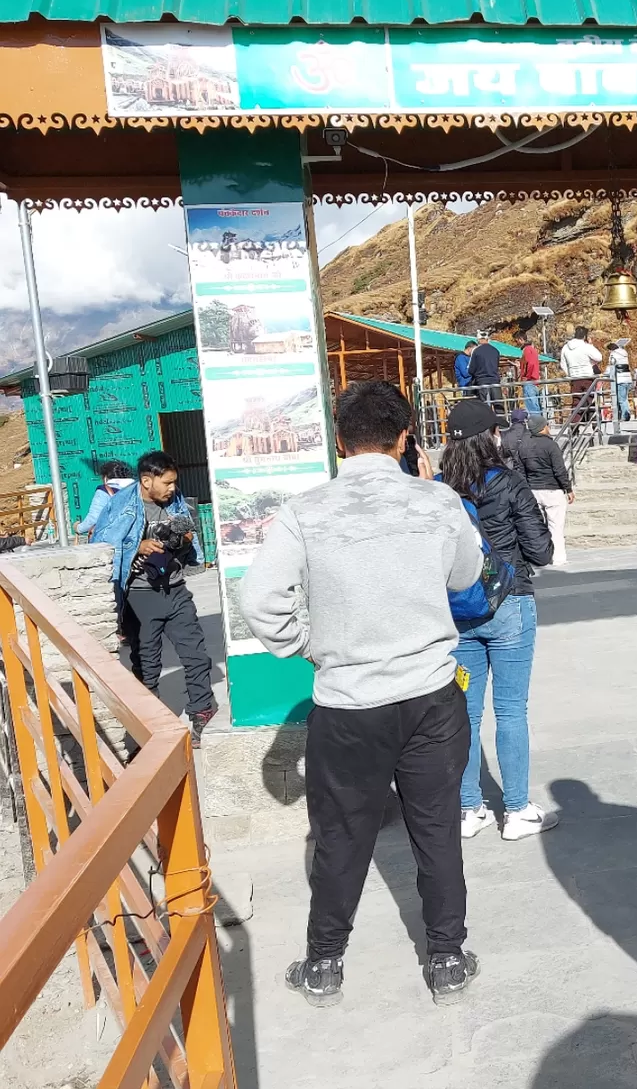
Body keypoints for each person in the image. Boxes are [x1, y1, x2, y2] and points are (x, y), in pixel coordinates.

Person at [239, 380, 485, 1007]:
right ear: (405, 438)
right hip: (431, 693)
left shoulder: (305, 512)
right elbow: (467, 574)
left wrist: (308, 646)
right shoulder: (437, 501)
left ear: (340, 441)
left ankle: (324, 963)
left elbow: (260, 602)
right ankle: (448, 958)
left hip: (348, 703)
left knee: (343, 836)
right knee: (437, 829)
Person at [439, 400, 558, 843]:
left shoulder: (438, 492)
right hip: (510, 605)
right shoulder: (509, 484)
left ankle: (468, 809)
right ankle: (516, 811)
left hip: (459, 614)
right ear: (490, 436)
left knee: (464, 713)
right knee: (511, 710)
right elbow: (541, 551)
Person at [93, 451, 216, 745]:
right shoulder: (120, 506)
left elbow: (187, 544)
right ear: (147, 481)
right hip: (139, 596)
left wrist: (185, 542)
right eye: (168, 483)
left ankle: (202, 712)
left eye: (175, 482)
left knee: (196, 655)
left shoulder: (176, 502)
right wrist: (138, 547)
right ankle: (151, 728)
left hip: (175, 589)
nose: (173, 488)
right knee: (146, 664)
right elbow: (100, 545)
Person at [517, 413, 573, 565]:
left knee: (539, 526)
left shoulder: (523, 445)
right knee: (556, 526)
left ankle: (542, 556)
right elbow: (559, 470)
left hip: (534, 489)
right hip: (552, 490)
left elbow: (521, 470)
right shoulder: (550, 445)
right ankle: (558, 557)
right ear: (542, 427)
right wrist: (568, 489)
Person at [76, 459, 134, 536]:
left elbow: (93, 519)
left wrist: (78, 528)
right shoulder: (136, 489)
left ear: (105, 477)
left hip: (113, 539)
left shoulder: (104, 491)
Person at [559, 325, 602, 426]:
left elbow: (563, 364)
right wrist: (591, 346)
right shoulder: (586, 346)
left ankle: (574, 426)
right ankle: (594, 424)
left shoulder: (566, 347)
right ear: (585, 336)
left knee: (576, 402)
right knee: (590, 400)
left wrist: (570, 374)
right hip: (587, 376)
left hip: (574, 378)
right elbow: (599, 357)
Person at [468, 332, 503, 409]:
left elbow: (471, 369)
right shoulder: (496, 351)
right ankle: (501, 420)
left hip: (482, 382)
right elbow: (496, 366)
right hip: (495, 381)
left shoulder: (476, 351)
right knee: (499, 407)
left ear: (479, 340)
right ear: (487, 339)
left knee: (485, 408)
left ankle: (487, 420)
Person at [607, 336, 633, 423]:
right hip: (628, 379)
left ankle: (625, 415)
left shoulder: (613, 355)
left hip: (620, 379)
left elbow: (611, 367)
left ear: (611, 350)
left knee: (621, 399)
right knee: (625, 398)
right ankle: (624, 413)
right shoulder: (624, 353)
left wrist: (604, 375)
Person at [520, 336, 543, 416]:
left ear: (521, 339)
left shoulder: (527, 350)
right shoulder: (533, 350)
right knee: (536, 406)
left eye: (517, 341)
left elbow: (531, 364)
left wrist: (527, 377)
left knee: (532, 408)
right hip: (534, 381)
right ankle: (541, 425)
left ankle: (537, 426)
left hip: (529, 382)